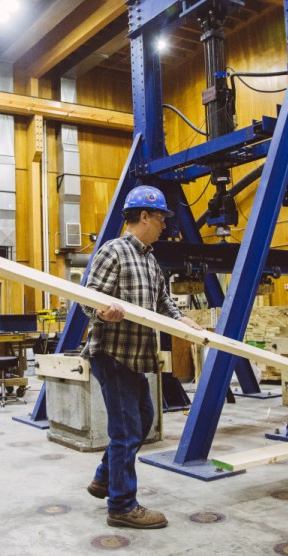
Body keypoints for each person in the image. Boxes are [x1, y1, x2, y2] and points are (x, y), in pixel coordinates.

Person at [80, 185, 202, 529]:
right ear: (144, 216)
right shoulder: (113, 251)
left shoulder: (149, 258)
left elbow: (164, 302)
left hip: (137, 356)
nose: (165, 225)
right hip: (113, 353)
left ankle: (104, 479)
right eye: (161, 217)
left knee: (143, 419)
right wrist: (103, 312)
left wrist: (182, 320)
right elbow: (87, 296)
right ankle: (121, 506)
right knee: (127, 430)